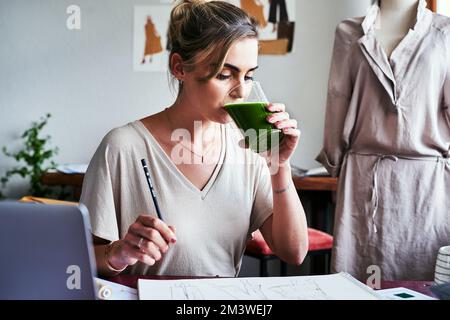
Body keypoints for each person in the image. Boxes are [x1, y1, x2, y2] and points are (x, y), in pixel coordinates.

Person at [81, 0, 308, 277]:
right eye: (225, 74)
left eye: (249, 76)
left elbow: (294, 252)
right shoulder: (122, 147)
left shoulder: (251, 148)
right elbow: (81, 261)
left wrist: (279, 165)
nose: (241, 91)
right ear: (179, 67)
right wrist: (120, 253)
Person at [317, 0, 450, 281]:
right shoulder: (349, 32)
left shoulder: (445, 33)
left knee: (424, 281)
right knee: (359, 282)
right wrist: (334, 159)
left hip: (427, 186)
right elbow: (337, 98)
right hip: (363, 179)